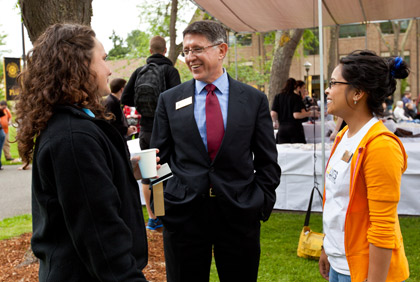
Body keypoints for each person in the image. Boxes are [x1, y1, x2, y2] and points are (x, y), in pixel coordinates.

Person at [15, 23, 152, 281]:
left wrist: (122, 167)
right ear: (79, 65)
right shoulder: (73, 137)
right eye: (103, 59)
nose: (109, 69)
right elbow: (100, 235)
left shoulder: (74, 125)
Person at [150, 20, 281, 282]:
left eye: (197, 49)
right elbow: (158, 160)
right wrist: (163, 207)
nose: (190, 57)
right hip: (184, 217)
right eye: (186, 51)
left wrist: (258, 204)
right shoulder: (169, 99)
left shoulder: (253, 100)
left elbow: (268, 162)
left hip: (238, 215)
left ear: (222, 50)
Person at [319, 50, 410, 282]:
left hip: (363, 271)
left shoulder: (380, 146)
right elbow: (336, 202)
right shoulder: (343, 137)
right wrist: (326, 248)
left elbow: (383, 227)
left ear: (357, 92)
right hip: (340, 262)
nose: (327, 90)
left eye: (333, 83)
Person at [122, 35, 181, 230]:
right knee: (163, 172)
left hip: (145, 131)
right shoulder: (170, 71)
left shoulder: (140, 71)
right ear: (165, 51)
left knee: (148, 174)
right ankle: (164, 214)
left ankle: (153, 217)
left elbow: (125, 97)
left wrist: (142, 105)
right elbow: (177, 101)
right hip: (165, 131)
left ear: (150, 51)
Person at [271, 78, 319, 143]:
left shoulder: (277, 96)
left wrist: (275, 121)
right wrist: (310, 113)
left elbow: (273, 114)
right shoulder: (296, 97)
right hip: (295, 130)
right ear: (294, 86)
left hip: (282, 129)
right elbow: (296, 115)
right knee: (297, 152)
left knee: (283, 151)